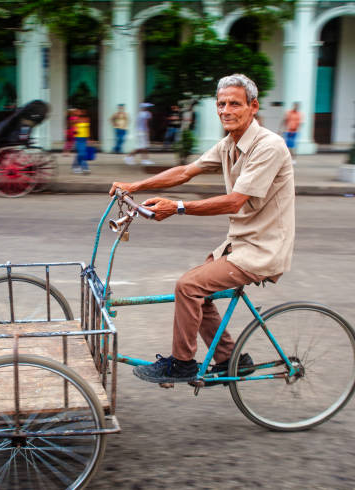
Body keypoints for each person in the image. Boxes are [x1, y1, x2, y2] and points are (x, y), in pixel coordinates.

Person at [109, 73, 295, 384]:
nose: (225, 110)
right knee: (200, 294)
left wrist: (177, 207)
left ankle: (182, 364)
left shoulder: (268, 147)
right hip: (239, 243)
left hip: (262, 249)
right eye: (221, 104)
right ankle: (231, 358)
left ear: (253, 107)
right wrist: (134, 185)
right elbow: (186, 171)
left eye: (234, 104)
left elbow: (235, 201)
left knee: (188, 285)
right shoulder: (228, 144)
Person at [72, 110, 91, 174]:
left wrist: (89, 138)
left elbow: (88, 129)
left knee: (82, 153)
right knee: (81, 153)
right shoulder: (76, 120)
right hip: (78, 139)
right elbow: (74, 128)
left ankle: (77, 166)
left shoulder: (87, 119)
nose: (81, 113)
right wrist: (75, 131)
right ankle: (83, 167)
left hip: (84, 139)